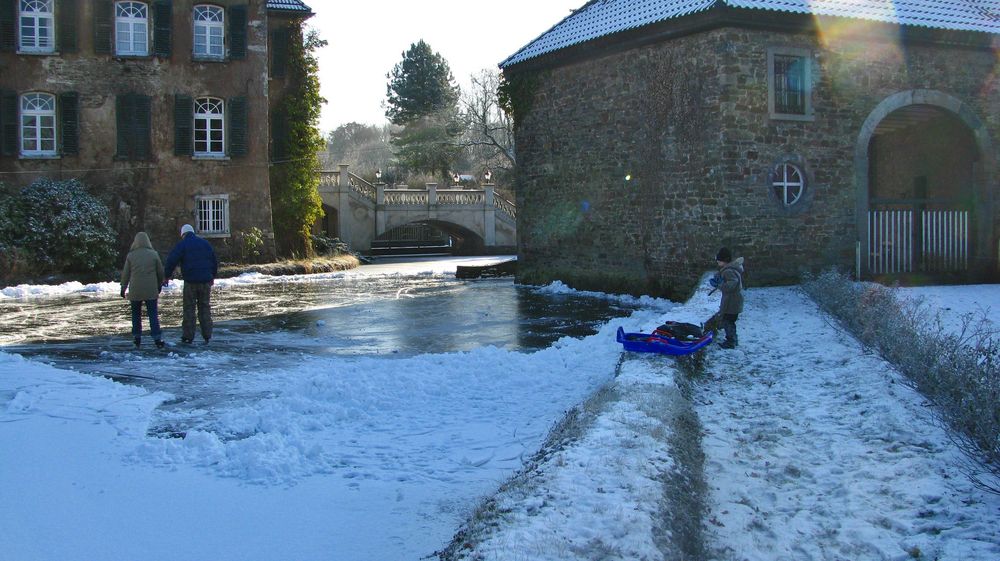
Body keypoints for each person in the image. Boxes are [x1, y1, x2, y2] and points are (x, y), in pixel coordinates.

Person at [164, 224, 218, 344]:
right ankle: (207, 335)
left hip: (191, 282)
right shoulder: (205, 244)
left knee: (189, 308)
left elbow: (172, 260)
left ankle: (188, 336)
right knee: (204, 307)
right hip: (205, 281)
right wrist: (212, 276)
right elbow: (214, 261)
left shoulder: (183, 244)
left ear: (183, 234)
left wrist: (166, 275)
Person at [120, 232, 165, 349]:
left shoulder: (131, 256)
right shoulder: (154, 254)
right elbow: (160, 272)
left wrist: (123, 287)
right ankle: (157, 338)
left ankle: (137, 337)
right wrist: (160, 284)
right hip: (151, 289)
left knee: (136, 314)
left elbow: (126, 274)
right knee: (153, 314)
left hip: (135, 290)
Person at [709, 247, 744, 349]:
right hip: (733, 300)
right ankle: (733, 339)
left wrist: (719, 284)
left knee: (728, 321)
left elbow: (732, 284)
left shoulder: (728, 271)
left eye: (719, 260)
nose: (717, 262)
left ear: (724, 260)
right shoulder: (730, 269)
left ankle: (731, 341)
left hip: (732, 301)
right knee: (730, 321)